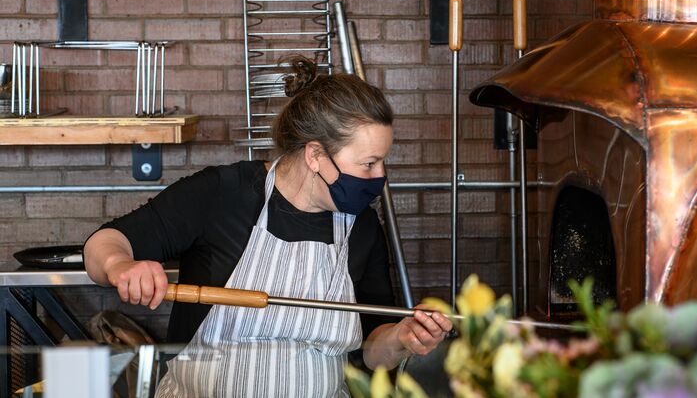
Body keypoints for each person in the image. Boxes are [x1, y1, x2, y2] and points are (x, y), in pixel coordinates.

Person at [84, 57, 452, 397]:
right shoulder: (222, 194)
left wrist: (403, 336)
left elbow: (370, 349)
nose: (380, 177)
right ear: (315, 156)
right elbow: (105, 242)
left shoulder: (362, 226)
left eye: (382, 162)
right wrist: (121, 266)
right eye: (369, 163)